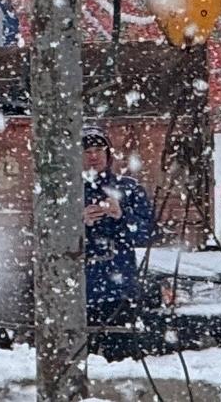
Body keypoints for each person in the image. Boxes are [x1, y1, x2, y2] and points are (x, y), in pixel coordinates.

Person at [83, 122, 158, 326]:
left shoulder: (130, 189)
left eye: (99, 150)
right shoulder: (68, 193)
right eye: (87, 151)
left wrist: (122, 216)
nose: (93, 156)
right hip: (80, 291)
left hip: (120, 290)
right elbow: (52, 240)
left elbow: (147, 235)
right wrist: (81, 223)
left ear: (108, 154)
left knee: (122, 353)